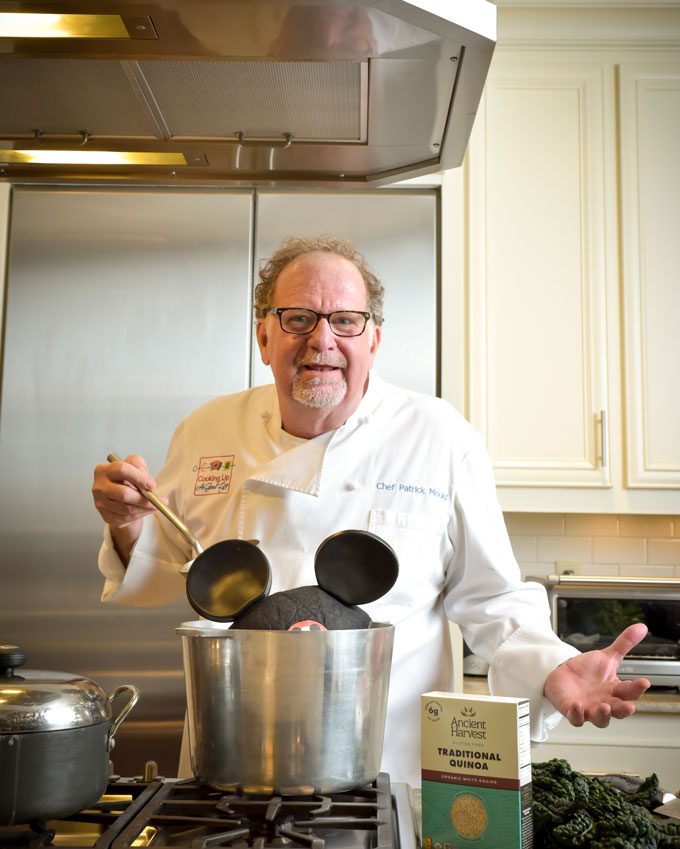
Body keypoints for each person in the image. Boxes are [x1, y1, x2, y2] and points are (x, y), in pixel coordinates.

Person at [93, 234, 650, 787]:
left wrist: (553, 665)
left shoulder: (438, 436)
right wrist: (126, 525)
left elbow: (491, 597)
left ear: (374, 339)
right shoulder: (206, 429)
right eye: (297, 319)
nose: (322, 340)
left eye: (345, 320)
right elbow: (168, 566)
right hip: (232, 759)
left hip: (386, 766)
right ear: (264, 336)